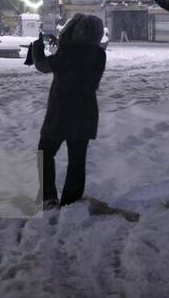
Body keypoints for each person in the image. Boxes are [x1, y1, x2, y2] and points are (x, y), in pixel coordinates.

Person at [31, 13, 106, 209]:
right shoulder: (99, 55)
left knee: (45, 153)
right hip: (86, 113)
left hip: (61, 113)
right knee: (77, 160)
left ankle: (48, 197)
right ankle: (71, 200)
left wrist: (37, 48)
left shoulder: (68, 54)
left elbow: (42, 65)